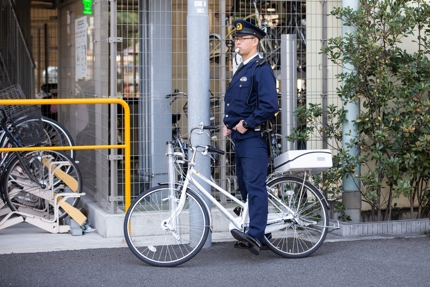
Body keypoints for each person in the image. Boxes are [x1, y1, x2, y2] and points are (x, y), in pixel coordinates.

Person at [222, 19, 279, 255]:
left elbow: (269, 105)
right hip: (240, 138)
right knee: (245, 188)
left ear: (255, 41)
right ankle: (259, 231)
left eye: (242, 38)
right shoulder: (244, 68)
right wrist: (230, 126)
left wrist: (245, 124)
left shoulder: (261, 68)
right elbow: (239, 104)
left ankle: (256, 235)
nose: (237, 42)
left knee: (255, 187)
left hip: (253, 138)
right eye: (236, 38)